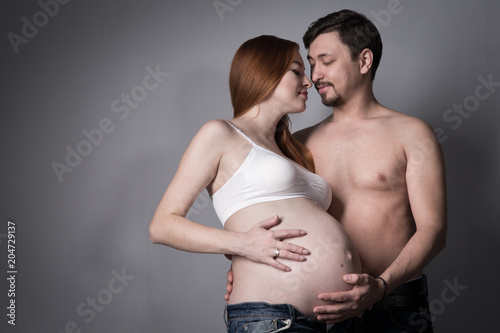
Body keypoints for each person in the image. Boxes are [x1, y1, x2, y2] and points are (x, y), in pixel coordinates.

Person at [225, 10, 447, 333]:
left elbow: (434, 230)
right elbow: (262, 216)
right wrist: (245, 271)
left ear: (365, 60)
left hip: (394, 305)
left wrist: (380, 286)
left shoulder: (412, 134)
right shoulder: (299, 144)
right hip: (322, 313)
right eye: (311, 63)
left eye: (325, 61)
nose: (314, 75)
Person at [149, 35, 361, 333]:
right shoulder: (220, 133)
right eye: (297, 71)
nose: (309, 82)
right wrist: (242, 244)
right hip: (272, 317)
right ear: (265, 72)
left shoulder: (292, 150)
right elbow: (162, 226)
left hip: (332, 319)